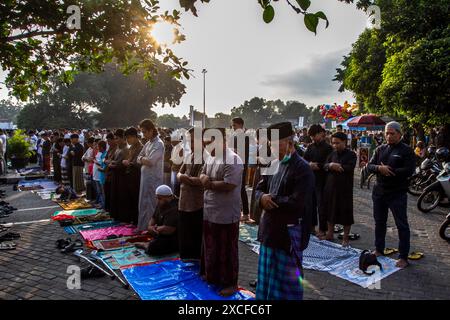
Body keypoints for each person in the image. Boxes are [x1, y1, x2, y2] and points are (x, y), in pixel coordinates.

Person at [255, 122, 315, 300]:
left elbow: (298, 202)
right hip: (269, 232)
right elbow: (259, 189)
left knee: (286, 289)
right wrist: (261, 198)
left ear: (290, 142)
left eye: (275, 143)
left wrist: (271, 199)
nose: (271, 147)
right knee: (265, 283)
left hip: (288, 235)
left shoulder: (303, 169)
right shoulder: (272, 164)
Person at [199, 128, 243, 297]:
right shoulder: (211, 156)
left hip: (226, 213)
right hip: (210, 210)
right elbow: (203, 173)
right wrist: (206, 180)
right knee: (211, 245)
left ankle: (231, 283)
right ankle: (213, 276)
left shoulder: (233, 159)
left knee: (227, 249)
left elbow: (229, 185)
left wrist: (208, 183)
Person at [367, 121, 416, 268]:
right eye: (386, 133)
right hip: (379, 192)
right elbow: (369, 166)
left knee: (401, 225)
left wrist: (390, 171)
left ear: (399, 134)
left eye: (392, 133)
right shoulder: (380, 149)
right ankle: (379, 249)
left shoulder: (406, 150)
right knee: (379, 222)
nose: (388, 136)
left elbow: (409, 170)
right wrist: (379, 168)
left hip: (397, 193)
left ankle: (403, 256)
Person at [321, 132, 357, 246]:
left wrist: (338, 167)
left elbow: (350, 167)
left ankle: (345, 238)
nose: (335, 145)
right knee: (330, 211)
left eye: (337, 143)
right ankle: (330, 233)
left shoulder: (351, 154)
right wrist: (330, 165)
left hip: (344, 189)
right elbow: (324, 165)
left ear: (345, 142)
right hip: (330, 187)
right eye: (333, 143)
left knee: (346, 213)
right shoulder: (332, 154)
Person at [177, 127, 204, 260]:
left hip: (197, 201)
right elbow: (179, 173)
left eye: (193, 141)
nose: (191, 144)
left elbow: (201, 180)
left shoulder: (206, 157)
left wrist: (184, 178)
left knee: (195, 232)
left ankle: (195, 258)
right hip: (184, 198)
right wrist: (184, 178)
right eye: (189, 141)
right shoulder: (189, 155)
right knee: (185, 230)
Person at [303, 124, 333, 236]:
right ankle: (311, 227)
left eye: (315, 135)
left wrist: (318, 165)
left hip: (323, 179)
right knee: (310, 204)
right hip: (311, 179)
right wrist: (309, 164)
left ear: (321, 133)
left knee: (322, 205)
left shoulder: (328, 148)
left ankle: (322, 229)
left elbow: (329, 163)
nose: (313, 138)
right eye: (311, 136)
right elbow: (304, 160)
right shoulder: (310, 147)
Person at [137, 119, 164, 231]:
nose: (143, 134)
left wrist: (142, 159)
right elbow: (139, 157)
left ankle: (151, 229)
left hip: (153, 179)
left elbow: (151, 161)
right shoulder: (148, 143)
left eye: (144, 132)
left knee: (152, 204)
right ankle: (142, 227)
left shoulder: (159, 144)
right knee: (143, 203)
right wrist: (142, 159)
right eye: (142, 132)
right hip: (145, 179)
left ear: (151, 130)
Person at [137, 185, 179, 256]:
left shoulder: (175, 207)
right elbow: (152, 220)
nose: (157, 200)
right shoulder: (161, 203)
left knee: (153, 248)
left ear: (169, 197)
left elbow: (169, 230)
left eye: (159, 198)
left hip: (174, 237)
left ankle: (147, 245)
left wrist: (155, 228)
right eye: (157, 198)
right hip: (162, 235)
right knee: (154, 242)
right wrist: (151, 227)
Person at [231, 117, 251, 223]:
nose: (233, 127)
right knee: (237, 189)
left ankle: (246, 213)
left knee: (241, 189)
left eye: (234, 125)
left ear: (240, 125)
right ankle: (240, 211)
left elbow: (242, 153)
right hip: (236, 165)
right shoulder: (236, 136)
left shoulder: (244, 137)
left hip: (241, 165)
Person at [109, 129, 129, 221]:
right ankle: (116, 216)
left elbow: (121, 164)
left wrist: (112, 164)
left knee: (121, 197)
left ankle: (122, 217)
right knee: (114, 196)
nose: (116, 140)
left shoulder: (126, 149)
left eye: (117, 138)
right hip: (115, 175)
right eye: (115, 138)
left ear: (122, 138)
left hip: (122, 177)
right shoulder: (118, 148)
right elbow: (112, 160)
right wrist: (112, 163)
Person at [103, 133, 117, 212]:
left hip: (112, 174)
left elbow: (114, 162)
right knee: (107, 192)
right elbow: (104, 159)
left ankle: (111, 210)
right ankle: (107, 209)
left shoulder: (117, 148)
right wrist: (106, 161)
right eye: (107, 141)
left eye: (109, 141)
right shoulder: (110, 148)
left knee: (111, 193)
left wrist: (108, 161)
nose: (108, 143)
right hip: (107, 173)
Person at [93, 141, 107, 209]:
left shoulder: (105, 154)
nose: (97, 148)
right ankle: (102, 204)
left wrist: (99, 167)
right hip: (101, 176)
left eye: (98, 146)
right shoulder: (102, 154)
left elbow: (103, 167)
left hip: (103, 176)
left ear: (101, 147)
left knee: (103, 192)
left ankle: (104, 206)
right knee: (101, 192)